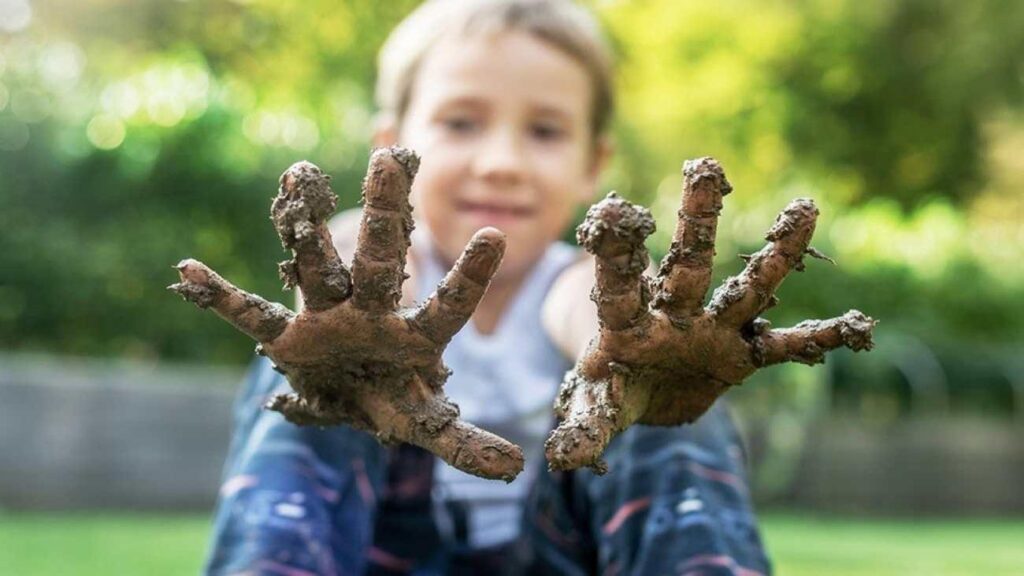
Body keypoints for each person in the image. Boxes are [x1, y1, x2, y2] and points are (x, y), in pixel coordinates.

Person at [204, 1, 772, 574]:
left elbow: (590, 308)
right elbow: (353, 250)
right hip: (386, 547)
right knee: (321, 368)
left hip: (555, 554)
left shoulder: (582, 281)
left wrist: (623, 345)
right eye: (460, 122)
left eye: (545, 131)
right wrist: (347, 325)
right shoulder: (390, 272)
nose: (502, 161)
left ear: (592, 163)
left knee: (652, 373)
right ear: (391, 144)